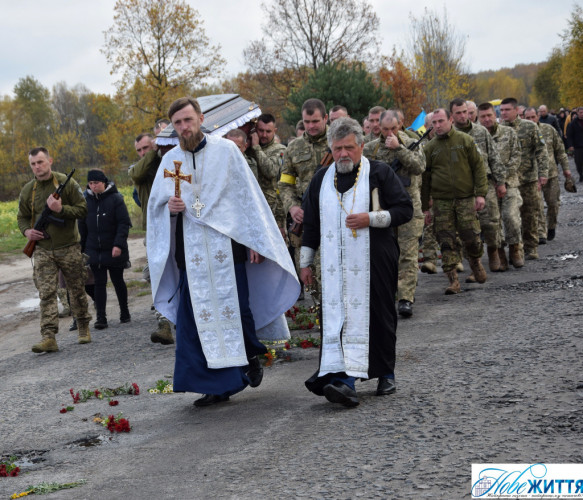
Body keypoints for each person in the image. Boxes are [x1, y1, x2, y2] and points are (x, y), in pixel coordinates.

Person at [147, 96, 299, 407]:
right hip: (191, 255)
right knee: (196, 320)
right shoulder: (168, 162)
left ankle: (248, 357)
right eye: (178, 123)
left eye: (188, 120)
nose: (184, 127)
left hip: (228, 248)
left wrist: (255, 241)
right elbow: (154, 209)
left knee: (237, 313)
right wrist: (170, 209)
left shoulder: (226, 151)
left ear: (201, 118)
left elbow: (247, 200)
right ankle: (217, 385)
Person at [300, 117, 413, 407]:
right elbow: (310, 224)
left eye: (349, 147)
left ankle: (386, 374)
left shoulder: (379, 172)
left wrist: (371, 219)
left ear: (361, 145)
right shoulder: (321, 179)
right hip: (335, 267)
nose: (343, 155)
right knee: (339, 319)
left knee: (380, 316)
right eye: (337, 149)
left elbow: (404, 210)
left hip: (375, 259)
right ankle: (344, 379)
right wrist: (305, 263)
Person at [17, 147, 92, 352]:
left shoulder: (65, 183)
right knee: (46, 293)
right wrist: (27, 232)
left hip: (68, 247)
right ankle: (48, 336)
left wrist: (61, 210)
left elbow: (83, 208)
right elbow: (22, 217)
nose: (37, 167)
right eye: (33, 164)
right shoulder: (28, 190)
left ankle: (83, 326)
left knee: (76, 289)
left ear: (50, 161)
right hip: (42, 249)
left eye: (40, 162)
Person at [363, 110, 425, 318]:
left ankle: (406, 298)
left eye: (393, 128)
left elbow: (419, 167)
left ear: (400, 125)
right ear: (378, 128)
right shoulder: (370, 148)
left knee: (408, 253)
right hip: (381, 208)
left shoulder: (411, 143)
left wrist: (399, 149)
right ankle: (388, 294)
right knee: (387, 254)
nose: (389, 133)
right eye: (385, 129)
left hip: (409, 208)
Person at [421, 109, 488, 294]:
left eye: (441, 121)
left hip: (465, 199)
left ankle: (475, 264)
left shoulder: (465, 141)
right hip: (442, 202)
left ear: (450, 120)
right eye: (434, 123)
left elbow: (479, 168)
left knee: (471, 236)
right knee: (446, 240)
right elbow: (424, 180)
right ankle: (453, 281)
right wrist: (425, 207)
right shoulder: (429, 148)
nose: (437, 126)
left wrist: (480, 194)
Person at [129, 130, 175, 345]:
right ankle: (164, 321)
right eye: (139, 150)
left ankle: (174, 317)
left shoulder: (169, 160)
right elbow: (137, 174)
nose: (142, 153)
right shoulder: (140, 168)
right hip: (155, 227)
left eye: (146, 148)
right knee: (154, 273)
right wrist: (152, 152)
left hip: (177, 222)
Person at [450, 98, 506, 273]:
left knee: (491, 222)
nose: (462, 116)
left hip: (485, 182)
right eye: (457, 113)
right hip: (461, 186)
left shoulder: (481, 132)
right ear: (451, 115)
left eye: (464, 112)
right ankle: (475, 262)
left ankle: (493, 251)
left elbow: (494, 157)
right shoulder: (449, 136)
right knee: (467, 227)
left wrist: (501, 182)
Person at [279, 98, 332, 282]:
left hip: (335, 214)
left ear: (325, 118)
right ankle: (319, 310)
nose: (311, 126)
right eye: (307, 122)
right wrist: (292, 207)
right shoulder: (293, 147)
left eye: (315, 121)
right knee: (309, 273)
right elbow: (285, 183)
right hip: (306, 217)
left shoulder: (338, 141)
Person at [78, 169, 132, 330]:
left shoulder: (116, 199)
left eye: (97, 183)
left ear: (104, 182)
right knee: (99, 283)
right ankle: (101, 317)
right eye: (91, 183)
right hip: (94, 249)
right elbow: (81, 227)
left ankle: (125, 311)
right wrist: (82, 249)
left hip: (114, 247)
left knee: (117, 281)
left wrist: (118, 245)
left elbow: (124, 223)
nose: (93, 186)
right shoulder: (85, 201)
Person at [499, 97, 549, 260]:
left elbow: (541, 150)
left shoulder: (529, 127)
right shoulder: (498, 130)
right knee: (511, 216)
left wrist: (543, 172)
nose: (504, 113)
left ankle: (531, 247)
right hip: (509, 181)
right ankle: (516, 247)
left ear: (516, 110)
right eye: (502, 110)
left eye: (507, 110)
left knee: (529, 214)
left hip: (528, 179)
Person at [477, 102, 524, 269]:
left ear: (494, 114)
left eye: (489, 115)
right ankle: (498, 253)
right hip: (487, 185)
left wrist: (502, 179)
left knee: (511, 216)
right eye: (483, 116)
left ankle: (515, 248)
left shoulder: (508, 133)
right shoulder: (475, 136)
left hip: (509, 183)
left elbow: (516, 157)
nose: (487, 119)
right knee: (491, 221)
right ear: (478, 117)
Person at [524, 107, 573, 241]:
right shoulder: (521, 133)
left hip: (551, 174)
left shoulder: (548, 130)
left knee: (553, 203)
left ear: (538, 116)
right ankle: (540, 233)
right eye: (527, 118)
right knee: (536, 206)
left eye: (533, 117)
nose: (531, 120)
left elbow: (560, 150)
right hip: (532, 177)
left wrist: (566, 168)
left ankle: (551, 226)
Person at [249, 113, 287, 234]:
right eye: (261, 130)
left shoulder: (280, 150)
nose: (264, 135)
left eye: (268, 131)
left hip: (271, 211)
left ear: (274, 131)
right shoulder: (248, 148)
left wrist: (256, 148)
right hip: (252, 207)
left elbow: (271, 171)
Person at [566, 106, 583, 183]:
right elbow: (569, 136)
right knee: (578, 163)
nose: (582, 114)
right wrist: (570, 145)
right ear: (577, 113)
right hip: (577, 146)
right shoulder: (572, 123)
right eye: (580, 112)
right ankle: (581, 174)